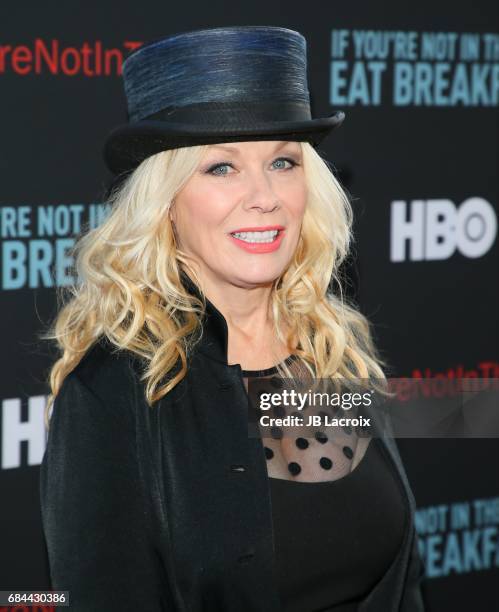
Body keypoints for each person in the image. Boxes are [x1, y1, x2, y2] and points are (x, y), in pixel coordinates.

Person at [39, 26, 426, 611]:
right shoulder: (112, 393)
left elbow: (403, 585)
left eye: (283, 162)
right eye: (222, 168)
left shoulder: (332, 346)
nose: (264, 196)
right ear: (165, 203)